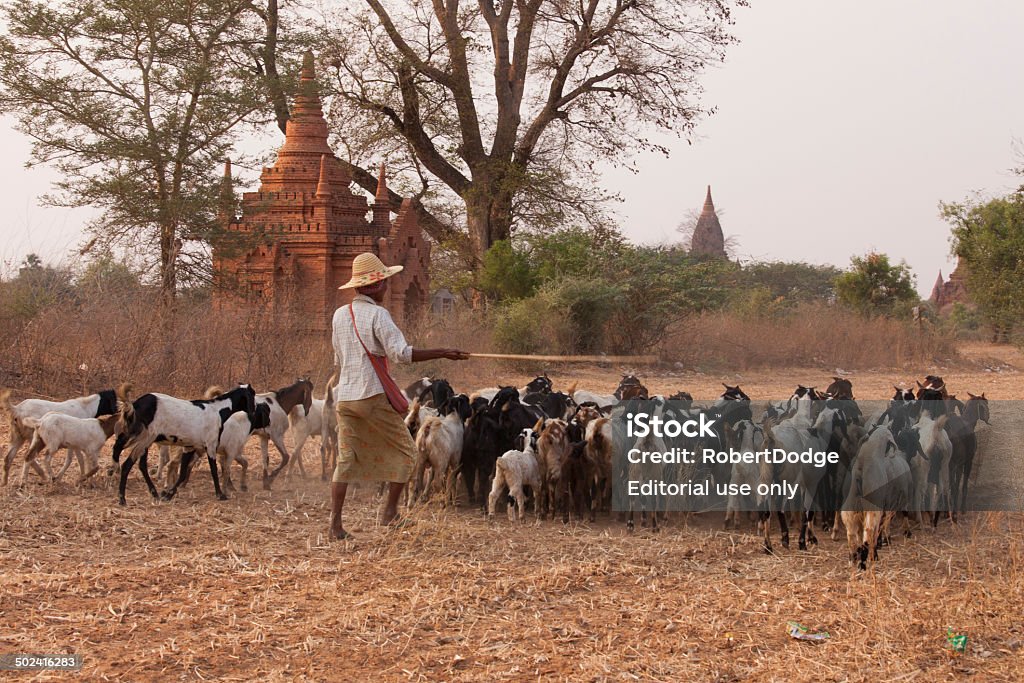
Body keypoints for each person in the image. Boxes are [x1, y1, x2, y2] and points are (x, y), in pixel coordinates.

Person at [329, 252, 467, 539]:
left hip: (345, 397)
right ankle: (390, 513)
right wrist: (443, 352)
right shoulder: (379, 314)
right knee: (407, 452)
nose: (387, 286)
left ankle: (335, 526)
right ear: (377, 284)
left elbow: (339, 359)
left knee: (345, 460)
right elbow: (401, 354)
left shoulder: (340, 315)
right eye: (385, 282)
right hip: (371, 396)